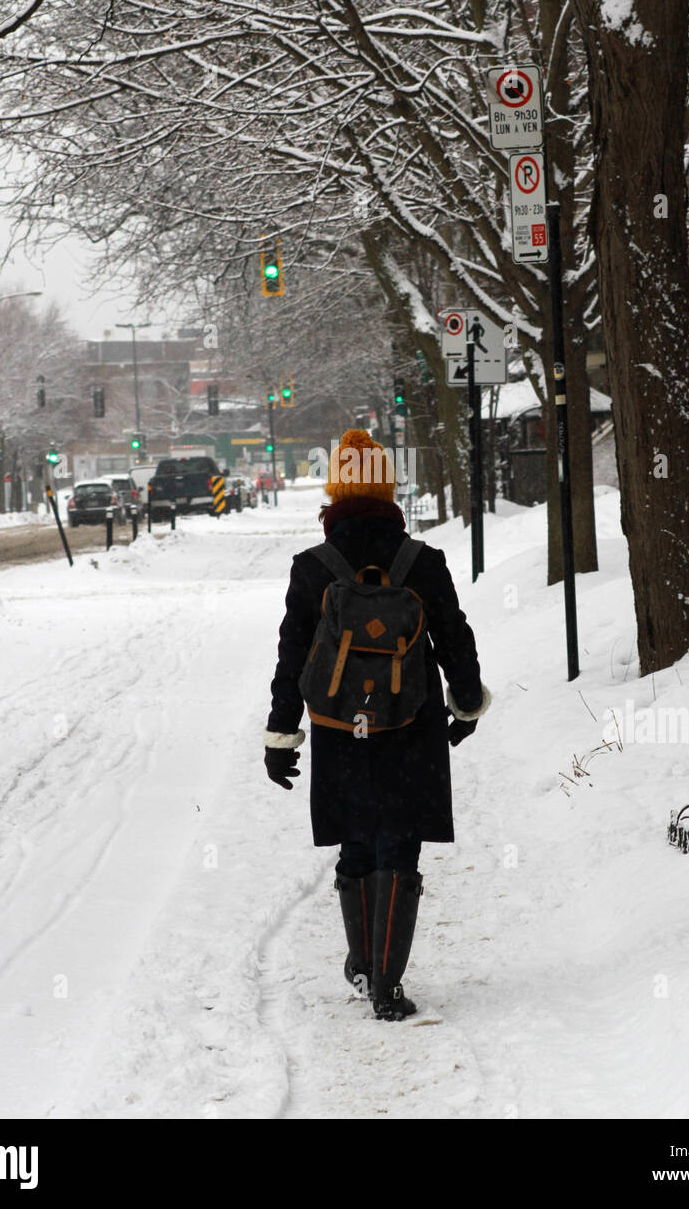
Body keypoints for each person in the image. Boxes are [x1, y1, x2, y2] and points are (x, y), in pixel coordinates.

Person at [263, 428, 490, 1020]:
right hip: (409, 726)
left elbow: (292, 657)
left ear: (334, 491)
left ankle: (364, 966)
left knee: (355, 841)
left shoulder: (312, 569)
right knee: (400, 847)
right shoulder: (423, 562)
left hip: (341, 728)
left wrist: (281, 735)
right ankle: (388, 986)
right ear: (388, 488)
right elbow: (454, 640)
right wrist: (465, 703)